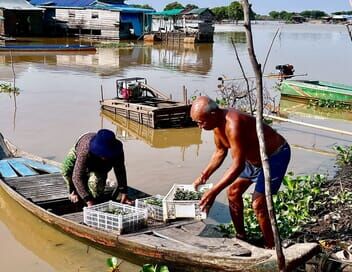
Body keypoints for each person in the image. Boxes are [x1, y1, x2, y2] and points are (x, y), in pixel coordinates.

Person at [191, 96, 291, 248]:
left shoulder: (233, 124)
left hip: (274, 156)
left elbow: (237, 165)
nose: (200, 126)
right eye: (197, 122)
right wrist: (202, 177)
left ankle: (271, 245)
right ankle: (241, 237)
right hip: (252, 160)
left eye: (201, 122)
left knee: (258, 203)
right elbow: (219, 152)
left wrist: (213, 192)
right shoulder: (216, 125)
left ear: (213, 114)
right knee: (232, 192)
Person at [62, 129, 132, 207]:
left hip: (100, 166)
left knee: (96, 183)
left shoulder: (117, 151)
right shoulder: (85, 150)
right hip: (80, 153)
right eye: (103, 154)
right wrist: (88, 201)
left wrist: (124, 192)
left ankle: (94, 199)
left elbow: (120, 170)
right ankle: (73, 192)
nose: (104, 157)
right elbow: (76, 177)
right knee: (66, 170)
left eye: (107, 154)